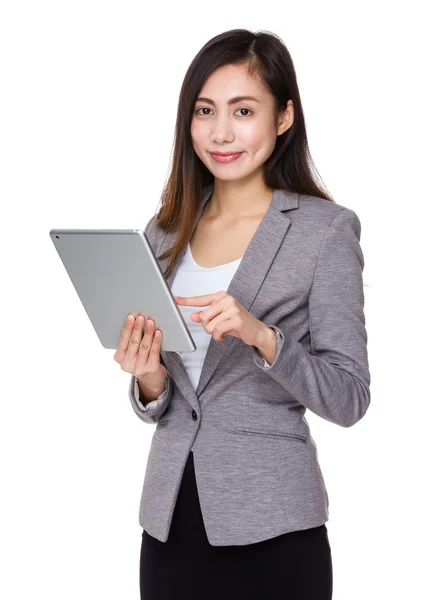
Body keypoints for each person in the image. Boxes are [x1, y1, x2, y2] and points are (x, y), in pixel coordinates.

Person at [114, 28, 371, 600]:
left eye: (244, 110)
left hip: (275, 527)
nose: (221, 132)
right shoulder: (163, 233)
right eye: (205, 111)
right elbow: (175, 400)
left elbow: (350, 396)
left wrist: (262, 336)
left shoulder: (324, 231)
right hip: (170, 521)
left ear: (283, 118)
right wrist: (149, 377)